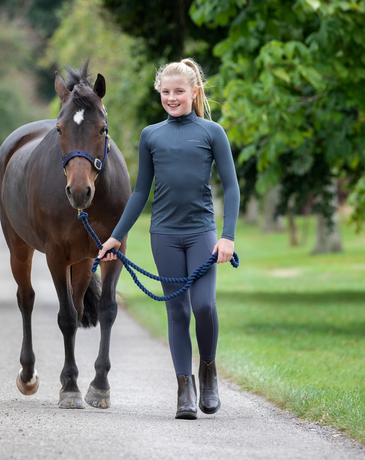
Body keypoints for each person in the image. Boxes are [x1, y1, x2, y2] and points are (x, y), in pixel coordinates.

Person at [98, 58, 240, 419]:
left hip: (202, 235)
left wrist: (227, 238)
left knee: (204, 306)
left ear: (194, 92)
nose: (172, 98)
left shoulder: (212, 132)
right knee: (177, 310)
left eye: (179, 91)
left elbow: (232, 187)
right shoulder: (151, 135)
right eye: (166, 92)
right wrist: (116, 237)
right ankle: (185, 390)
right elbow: (140, 192)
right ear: (159, 94)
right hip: (164, 235)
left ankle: (207, 370)